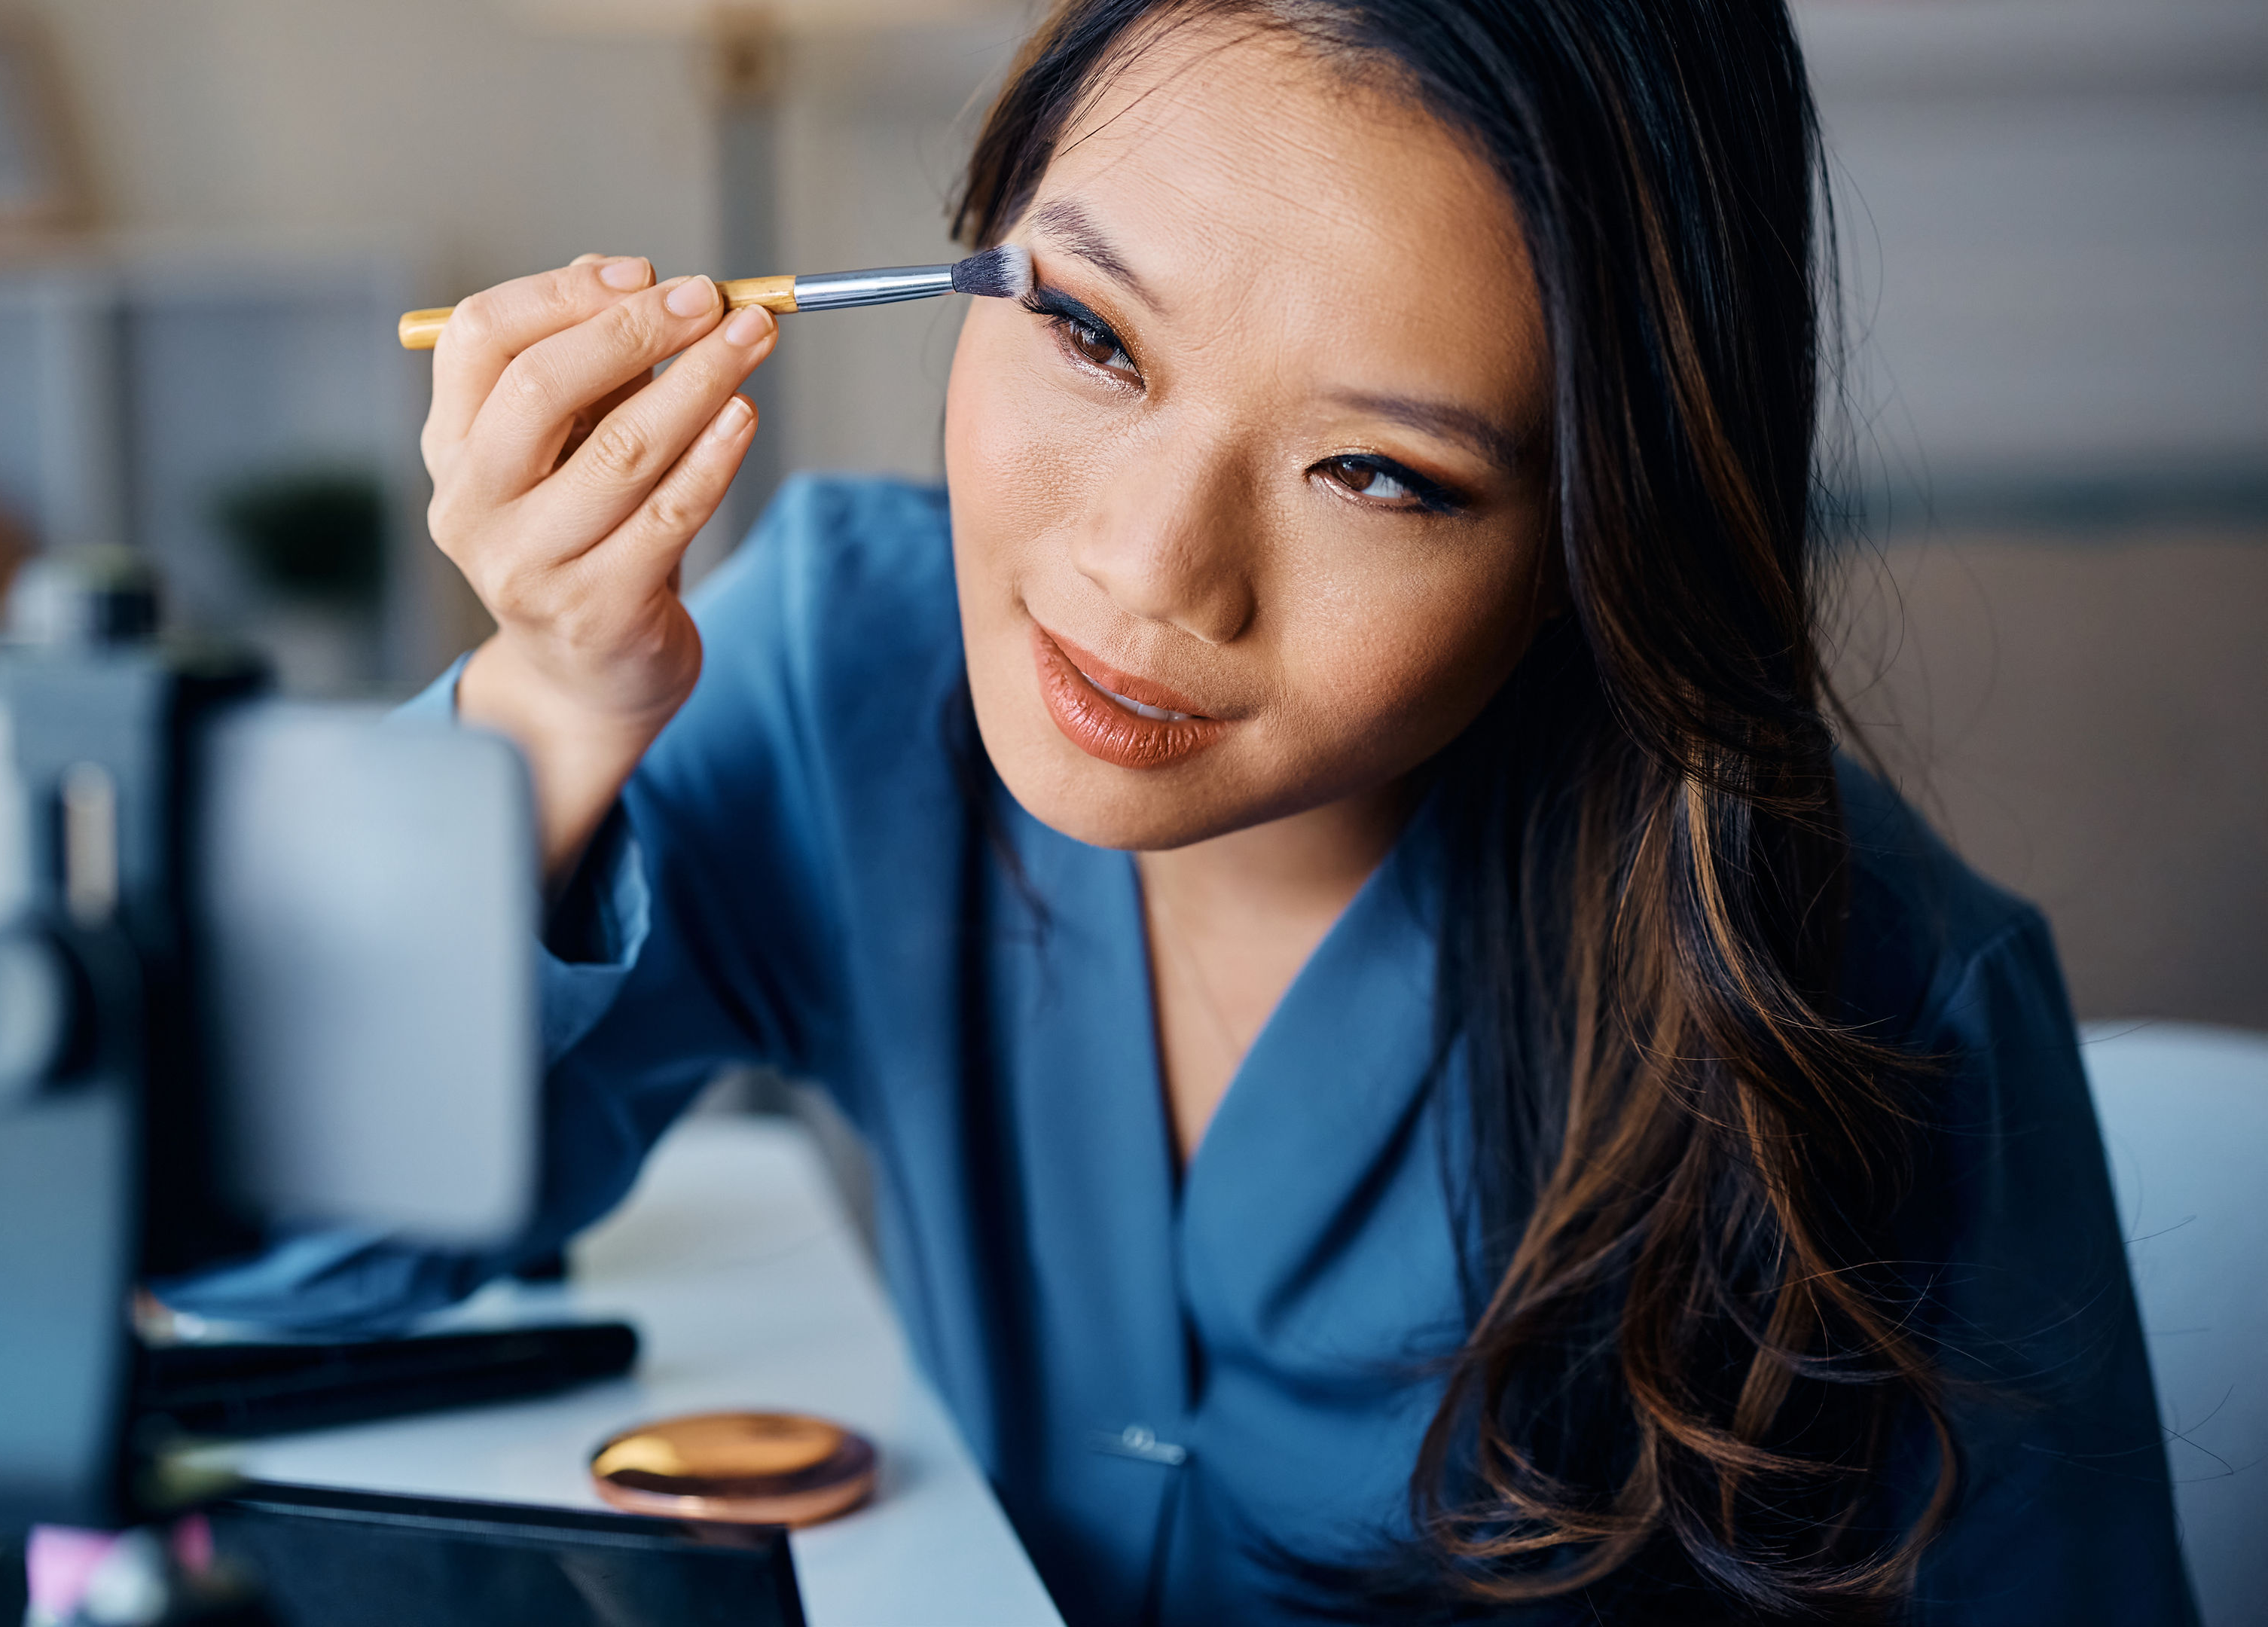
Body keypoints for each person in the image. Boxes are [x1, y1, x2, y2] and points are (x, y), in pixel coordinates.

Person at [166, 0, 2194, 1619]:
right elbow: (271, 1263)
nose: (1149, 574)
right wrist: (548, 702)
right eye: (1087, 333)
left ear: (1600, 531)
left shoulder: (1880, 996)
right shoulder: (839, 675)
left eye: (1381, 475)